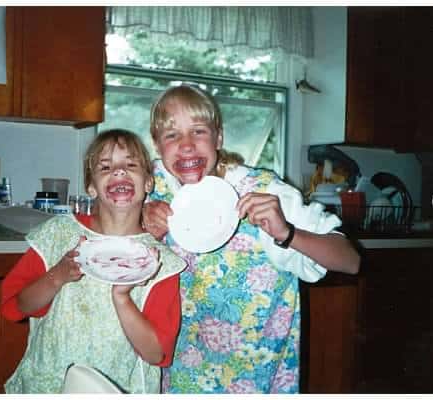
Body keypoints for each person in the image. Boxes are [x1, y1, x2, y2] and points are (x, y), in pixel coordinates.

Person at [142, 84, 361, 394]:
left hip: (255, 380)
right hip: (176, 380)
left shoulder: (264, 191)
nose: (187, 146)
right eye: (172, 135)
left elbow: (350, 261)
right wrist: (140, 226)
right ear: (157, 145)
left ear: (218, 138)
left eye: (199, 131)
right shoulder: (152, 188)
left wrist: (287, 232)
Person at [1, 129, 186, 393]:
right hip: (46, 385)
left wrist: (123, 298)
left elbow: (156, 353)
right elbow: (15, 306)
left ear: (148, 183)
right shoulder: (58, 234)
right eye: (105, 166)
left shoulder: (161, 263)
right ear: (91, 186)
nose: (119, 172)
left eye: (130, 165)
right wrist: (58, 275)